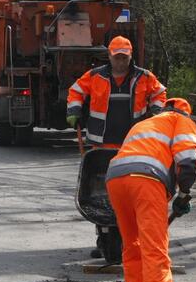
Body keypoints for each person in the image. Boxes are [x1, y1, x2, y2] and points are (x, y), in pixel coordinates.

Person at [104, 97, 196, 282]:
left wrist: (177, 196)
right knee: (155, 252)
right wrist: (183, 195)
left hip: (116, 179)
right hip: (145, 181)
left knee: (133, 246)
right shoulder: (181, 120)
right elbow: (188, 163)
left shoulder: (146, 123)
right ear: (184, 112)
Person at [67, 35, 167, 258]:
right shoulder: (95, 76)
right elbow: (75, 91)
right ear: (110, 57)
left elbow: (159, 93)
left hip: (132, 145)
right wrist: (73, 110)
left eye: (124, 57)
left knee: (130, 193)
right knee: (102, 192)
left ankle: (129, 239)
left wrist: (157, 110)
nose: (120, 62)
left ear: (130, 57)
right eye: (116, 57)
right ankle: (104, 239)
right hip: (100, 146)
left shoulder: (144, 77)